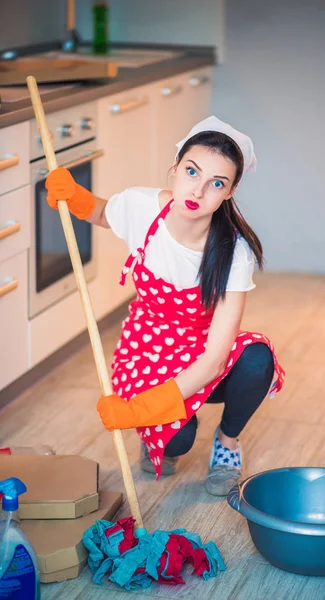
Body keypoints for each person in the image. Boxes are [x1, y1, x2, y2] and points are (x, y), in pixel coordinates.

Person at [45, 116, 285, 496]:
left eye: (216, 183)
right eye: (192, 171)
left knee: (258, 358)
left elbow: (214, 360)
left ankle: (227, 442)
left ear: (230, 191)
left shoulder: (232, 250)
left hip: (202, 350)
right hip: (147, 348)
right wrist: (73, 195)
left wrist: (142, 411)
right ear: (175, 168)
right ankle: (167, 434)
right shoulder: (141, 206)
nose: (198, 190)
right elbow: (103, 213)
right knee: (177, 442)